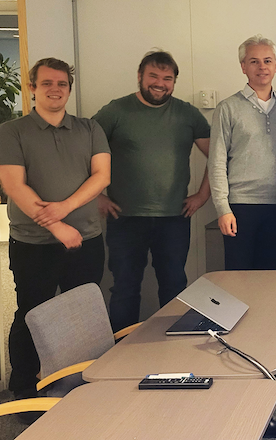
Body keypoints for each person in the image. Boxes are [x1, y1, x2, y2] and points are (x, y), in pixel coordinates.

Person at [0, 58, 111, 414]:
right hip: (33, 245)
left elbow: (101, 176)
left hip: (85, 240)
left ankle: (82, 385)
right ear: (32, 88)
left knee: (85, 317)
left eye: (62, 83)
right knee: (31, 314)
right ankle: (24, 392)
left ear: (69, 89)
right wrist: (56, 225)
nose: (55, 89)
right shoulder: (12, 131)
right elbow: (14, 185)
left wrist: (64, 208)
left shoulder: (89, 128)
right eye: (46, 83)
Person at [94, 50, 212, 331]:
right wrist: (96, 196)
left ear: (174, 82)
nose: (160, 83)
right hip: (125, 217)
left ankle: (171, 349)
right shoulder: (115, 111)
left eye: (167, 78)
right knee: (124, 288)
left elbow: (218, 156)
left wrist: (202, 195)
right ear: (140, 76)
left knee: (174, 286)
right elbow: (82, 151)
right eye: (153, 76)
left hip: (174, 217)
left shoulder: (188, 114)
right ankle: (123, 349)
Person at [209, 35, 276, 270]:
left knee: (270, 276)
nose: (262, 67)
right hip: (240, 207)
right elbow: (216, 162)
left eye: (267, 61)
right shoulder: (227, 108)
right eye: (254, 61)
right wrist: (223, 209)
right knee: (237, 279)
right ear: (243, 67)